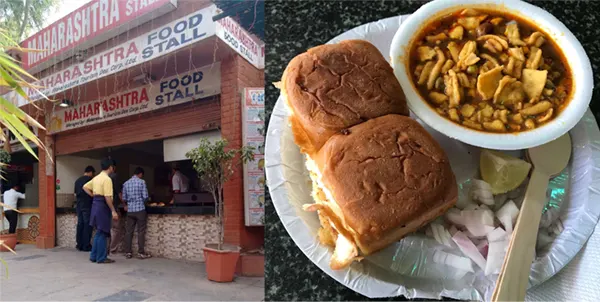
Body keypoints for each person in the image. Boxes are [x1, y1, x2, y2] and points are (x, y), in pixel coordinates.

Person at [83, 158, 119, 264]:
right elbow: (108, 197)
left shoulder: (96, 178)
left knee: (99, 232)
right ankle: (101, 257)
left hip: (95, 205)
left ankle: (93, 256)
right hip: (103, 206)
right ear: (110, 167)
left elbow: (85, 187)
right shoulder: (107, 179)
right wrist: (113, 210)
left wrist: (93, 195)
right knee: (103, 232)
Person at [122, 167, 152, 259]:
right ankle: (141, 253)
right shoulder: (142, 182)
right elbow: (145, 196)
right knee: (141, 231)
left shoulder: (126, 183)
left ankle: (128, 252)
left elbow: (124, 198)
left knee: (129, 232)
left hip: (130, 210)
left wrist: (128, 204)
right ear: (140, 174)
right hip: (140, 209)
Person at [75, 166, 95, 251]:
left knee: (80, 224)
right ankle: (86, 245)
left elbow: (75, 194)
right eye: (93, 174)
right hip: (87, 205)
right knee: (87, 225)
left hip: (79, 205)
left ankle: (79, 244)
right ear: (90, 172)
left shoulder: (77, 181)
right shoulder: (89, 180)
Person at [108, 162, 126, 255]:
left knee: (107, 229)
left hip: (105, 207)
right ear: (113, 167)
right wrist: (124, 203)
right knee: (116, 228)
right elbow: (119, 192)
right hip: (114, 206)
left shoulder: (103, 177)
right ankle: (113, 249)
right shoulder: (115, 176)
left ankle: (107, 249)